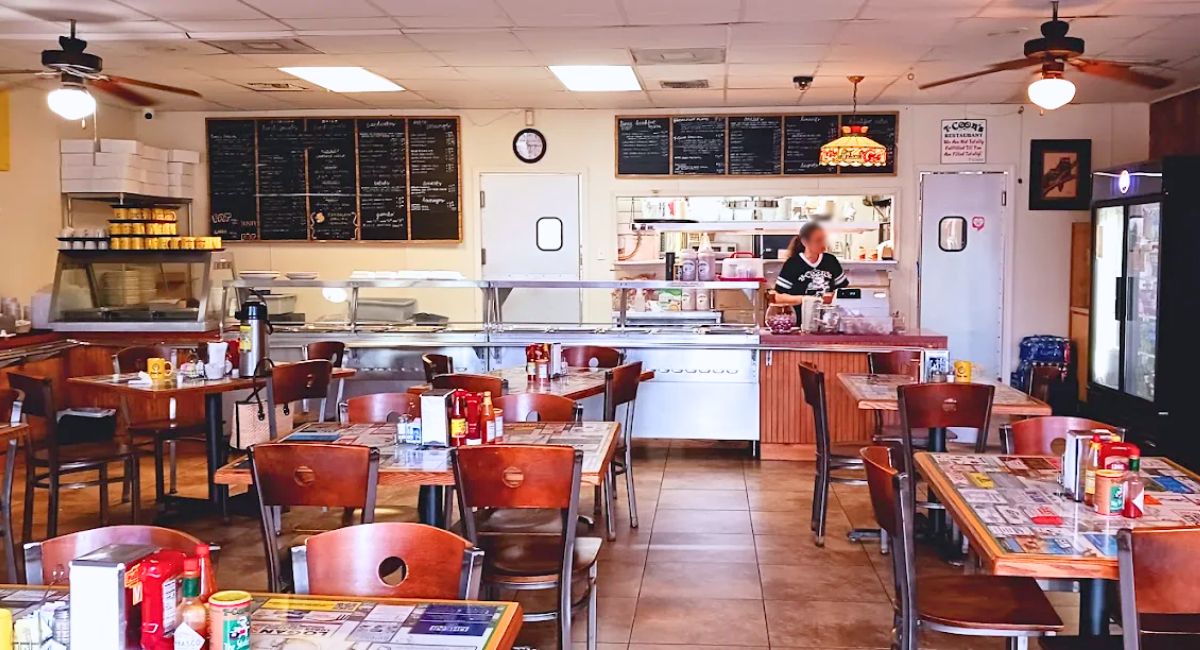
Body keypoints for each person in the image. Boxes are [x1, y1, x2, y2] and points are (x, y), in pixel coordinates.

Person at [768, 222, 849, 312]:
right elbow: (778, 297)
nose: (823, 243)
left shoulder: (831, 261)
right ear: (805, 242)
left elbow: (843, 290)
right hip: (801, 317)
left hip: (828, 317)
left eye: (824, 239)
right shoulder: (793, 264)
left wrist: (833, 297)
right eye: (818, 240)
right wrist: (805, 299)